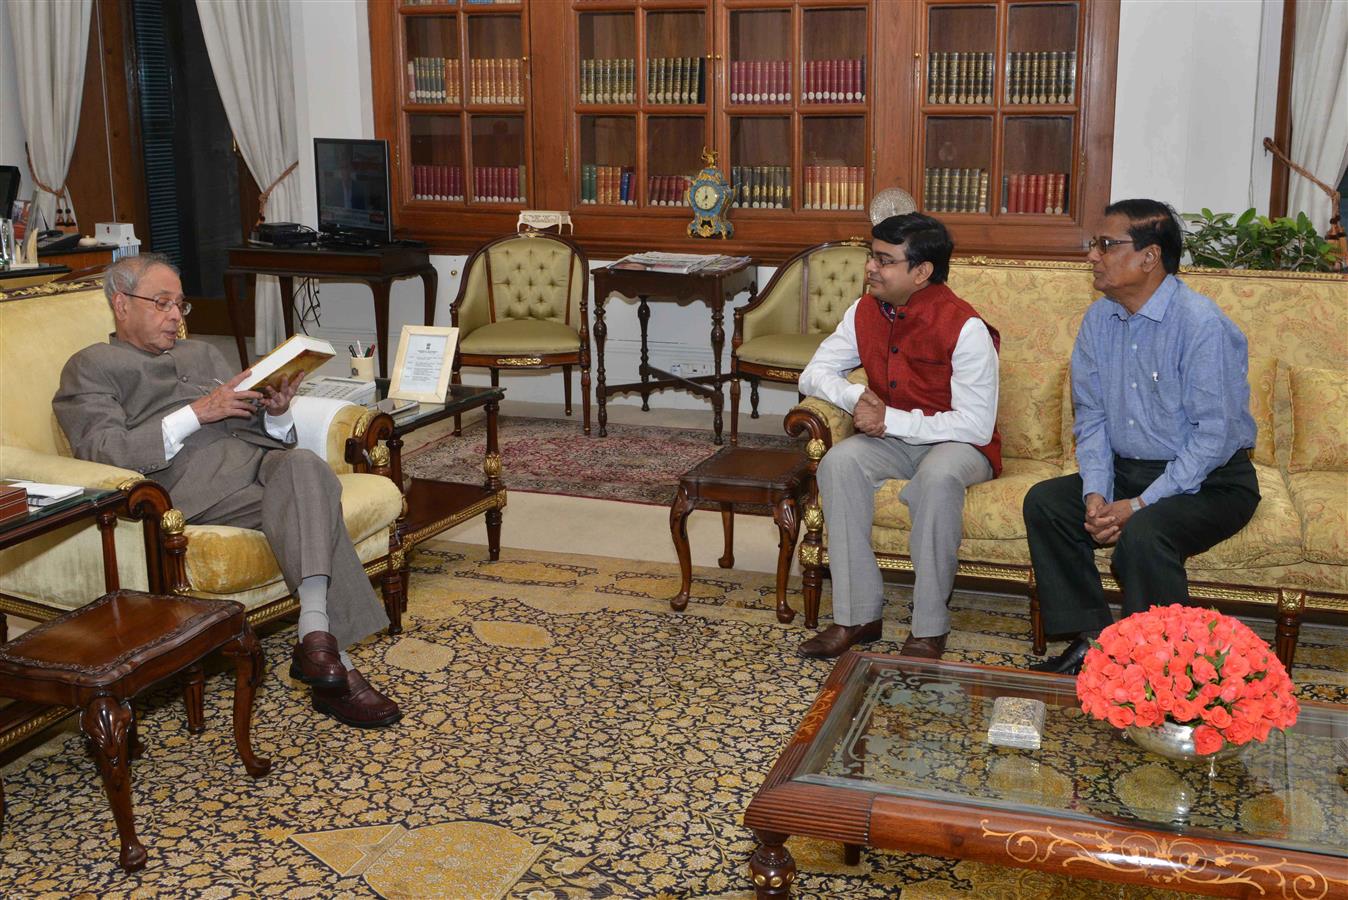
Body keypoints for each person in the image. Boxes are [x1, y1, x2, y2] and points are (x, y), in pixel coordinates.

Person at [54, 253, 401, 728]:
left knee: (304, 465)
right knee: (316, 495)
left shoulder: (202, 354)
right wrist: (199, 412)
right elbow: (102, 448)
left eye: (180, 305)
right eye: (161, 304)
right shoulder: (91, 366)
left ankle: (315, 637)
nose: (175, 316)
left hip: (265, 466)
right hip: (192, 489)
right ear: (121, 304)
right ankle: (331, 662)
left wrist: (277, 410)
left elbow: (262, 428)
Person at [1023, 199, 1260, 675]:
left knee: (1146, 535)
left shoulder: (1200, 325)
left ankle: (1162, 667)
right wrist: (1096, 491)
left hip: (1213, 480)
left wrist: (1139, 505)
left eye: (1106, 245)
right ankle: (1092, 640)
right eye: (1095, 244)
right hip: (1128, 470)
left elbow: (1212, 437)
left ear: (1150, 257)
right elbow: (1090, 418)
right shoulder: (1098, 320)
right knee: (1047, 502)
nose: (1093, 255)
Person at [797, 213, 1001, 660]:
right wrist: (855, 398)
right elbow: (814, 372)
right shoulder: (863, 311)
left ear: (921, 271)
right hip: (889, 438)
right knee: (840, 462)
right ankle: (857, 617)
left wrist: (890, 420)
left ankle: (929, 628)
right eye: (873, 256)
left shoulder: (965, 327)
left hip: (959, 445)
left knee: (937, 478)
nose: (871, 268)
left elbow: (975, 424)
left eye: (885, 261)